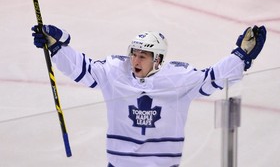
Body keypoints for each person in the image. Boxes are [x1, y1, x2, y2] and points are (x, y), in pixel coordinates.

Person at [32, 24, 266, 167]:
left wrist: (241, 55)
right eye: (134, 54)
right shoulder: (115, 71)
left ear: (158, 60)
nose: (135, 60)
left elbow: (212, 78)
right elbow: (81, 68)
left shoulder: (177, 77)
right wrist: (56, 47)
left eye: (143, 56)